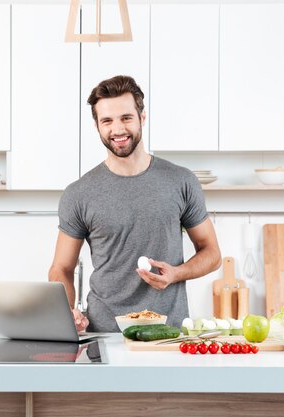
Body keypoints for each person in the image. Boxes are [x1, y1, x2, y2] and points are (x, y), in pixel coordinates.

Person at [48, 75, 221, 332]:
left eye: (126, 118)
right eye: (107, 121)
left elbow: (212, 254)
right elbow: (61, 268)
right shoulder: (79, 193)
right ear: (97, 126)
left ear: (142, 117)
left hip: (169, 335)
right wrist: (66, 312)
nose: (117, 129)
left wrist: (177, 273)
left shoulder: (181, 181)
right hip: (104, 335)